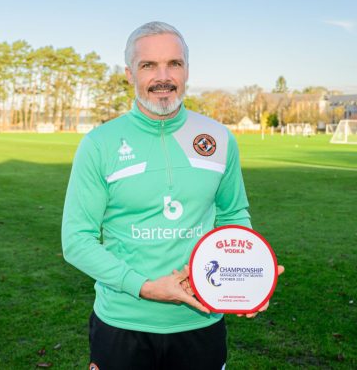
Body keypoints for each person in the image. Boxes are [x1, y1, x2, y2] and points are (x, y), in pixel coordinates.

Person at [62, 21, 284, 370]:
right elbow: (77, 241)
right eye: (148, 65)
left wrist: (252, 277)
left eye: (174, 64)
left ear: (187, 71)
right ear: (129, 73)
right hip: (123, 324)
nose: (162, 76)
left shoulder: (219, 138)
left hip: (201, 323)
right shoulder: (99, 144)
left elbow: (233, 217)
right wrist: (144, 286)